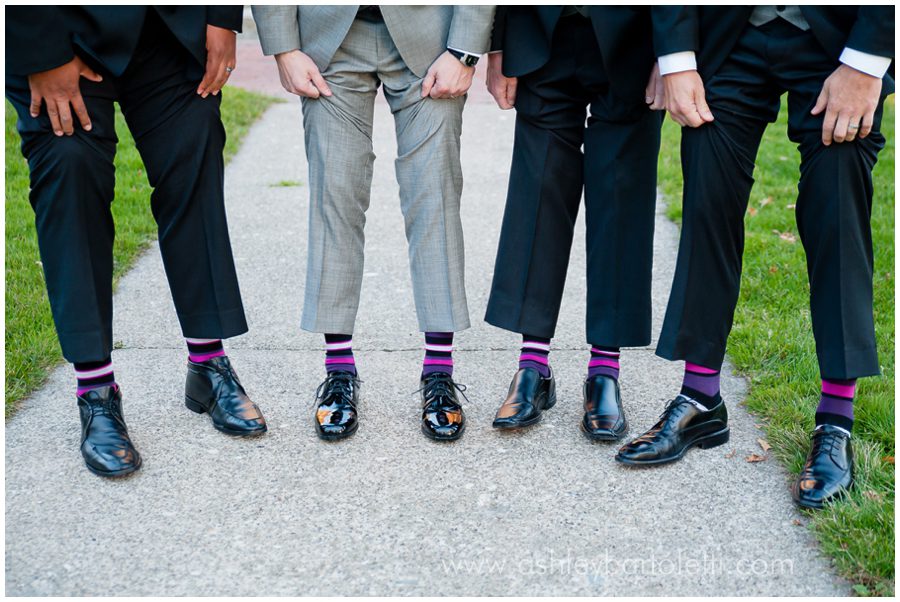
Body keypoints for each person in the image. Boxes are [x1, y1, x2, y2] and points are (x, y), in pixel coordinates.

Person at [616, 6, 894, 510]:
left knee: (837, 217)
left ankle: (836, 418)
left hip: (841, 39)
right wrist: (677, 58)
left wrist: (868, 59)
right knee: (706, 204)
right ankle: (701, 399)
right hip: (729, 32)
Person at [5, 6, 268, 478]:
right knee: (70, 172)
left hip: (171, 28)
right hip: (60, 30)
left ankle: (208, 365)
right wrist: (38, 52)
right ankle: (96, 389)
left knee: (195, 154)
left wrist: (222, 16)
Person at [252, 5, 495, 441]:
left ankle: (438, 372)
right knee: (335, 196)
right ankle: (339, 369)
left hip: (432, 37)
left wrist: (463, 51)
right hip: (329, 38)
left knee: (434, 198)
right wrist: (283, 46)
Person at [485, 6, 666, 439]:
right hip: (541, 31)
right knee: (537, 196)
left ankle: (604, 370)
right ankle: (532, 366)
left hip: (633, 34)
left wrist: (673, 53)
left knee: (621, 203)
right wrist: (497, 44)